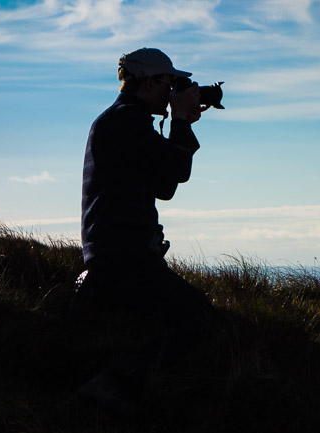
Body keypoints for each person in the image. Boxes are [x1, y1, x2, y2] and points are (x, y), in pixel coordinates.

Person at [71, 47, 218, 415]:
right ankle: (111, 383)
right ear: (150, 82)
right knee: (201, 318)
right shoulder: (125, 121)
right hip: (124, 256)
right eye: (170, 82)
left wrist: (180, 122)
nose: (173, 91)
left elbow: (165, 184)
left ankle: (95, 299)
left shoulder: (124, 120)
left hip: (120, 253)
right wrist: (181, 121)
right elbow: (176, 173)